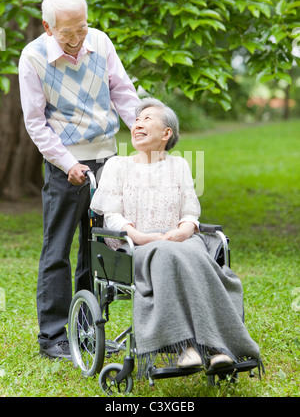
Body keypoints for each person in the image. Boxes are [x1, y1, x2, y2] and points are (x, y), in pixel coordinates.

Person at [90, 97, 261, 375]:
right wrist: (143, 237)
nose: (137, 124)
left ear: (166, 133)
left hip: (178, 239)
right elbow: (112, 215)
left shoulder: (178, 166)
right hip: (133, 244)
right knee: (167, 254)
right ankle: (186, 347)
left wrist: (183, 230)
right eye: (136, 120)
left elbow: (190, 211)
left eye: (147, 119)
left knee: (193, 251)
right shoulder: (117, 166)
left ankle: (217, 347)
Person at [18, 0, 141, 360]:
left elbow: (122, 92)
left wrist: (142, 133)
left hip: (108, 159)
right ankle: (53, 336)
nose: (75, 40)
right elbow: (35, 122)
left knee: (97, 247)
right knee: (58, 249)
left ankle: (87, 326)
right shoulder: (33, 58)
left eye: (81, 29)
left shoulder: (100, 43)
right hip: (65, 166)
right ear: (47, 26)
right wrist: (67, 162)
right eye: (66, 33)